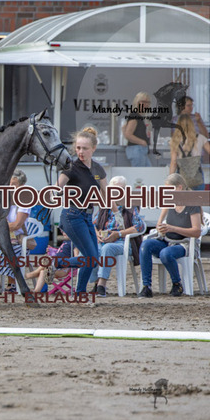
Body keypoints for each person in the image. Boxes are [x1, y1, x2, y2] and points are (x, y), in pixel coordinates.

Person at [54, 127, 115, 297]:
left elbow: (107, 194)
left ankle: (59, 266)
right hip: (72, 215)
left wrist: (117, 215)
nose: (80, 152)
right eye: (78, 148)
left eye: (85, 148)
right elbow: (57, 187)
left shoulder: (98, 169)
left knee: (92, 259)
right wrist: (56, 191)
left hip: (88, 217)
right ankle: (76, 287)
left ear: (93, 148)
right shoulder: (71, 167)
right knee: (90, 258)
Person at [138, 173, 202, 298]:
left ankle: (177, 283)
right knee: (146, 245)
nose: (166, 192)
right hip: (167, 239)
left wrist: (172, 228)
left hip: (184, 243)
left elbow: (196, 232)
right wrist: (160, 228)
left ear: (179, 187)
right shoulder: (169, 201)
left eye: (168, 189)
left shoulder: (192, 204)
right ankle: (146, 286)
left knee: (165, 253)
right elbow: (159, 224)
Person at [88, 175, 146, 297]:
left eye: (120, 189)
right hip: (104, 240)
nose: (116, 193)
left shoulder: (130, 206)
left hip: (122, 242)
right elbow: (92, 224)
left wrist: (118, 234)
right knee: (91, 250)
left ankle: (101, 286)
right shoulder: (105, 206)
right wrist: (97, 233)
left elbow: (139, 226)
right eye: (114, 189)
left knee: (107, 248)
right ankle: (95, 282)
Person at [169, 114, 210, 191]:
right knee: (198, 198)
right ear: (192, 124)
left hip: (181, 179)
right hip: (197, 177)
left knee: (182, 198)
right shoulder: (201, 138)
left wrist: (170, 180)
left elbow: (173, 162)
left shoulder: (175, 140)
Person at [122, 92, 153, 167]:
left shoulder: (139, 116)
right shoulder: (134, 116)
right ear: (138, 102)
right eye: (144, 102)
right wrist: (142, 142)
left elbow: (124, 129)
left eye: (148, 102)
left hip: (139, 149)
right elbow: (128, 134)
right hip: (137, 149)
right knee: (141, 172)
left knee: (148, 171)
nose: (146, 105)